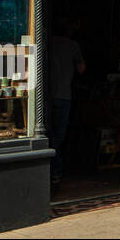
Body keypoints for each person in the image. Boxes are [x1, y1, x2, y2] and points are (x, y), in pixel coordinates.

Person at [48, 16, 86, 190]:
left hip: (45, 96)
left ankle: (53, 169)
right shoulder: (72, 45)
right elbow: (81, 69)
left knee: (46, 133)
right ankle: (55, 169)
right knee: (58, 135)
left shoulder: (47, 41)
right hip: (64, 95)